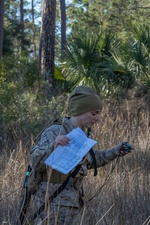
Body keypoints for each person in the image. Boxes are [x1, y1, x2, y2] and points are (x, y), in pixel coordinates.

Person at [30, 86, 132, 224]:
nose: (98, 118)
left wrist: (114, 152)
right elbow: (35, 161)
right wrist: (53, 146)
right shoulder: (56, 131)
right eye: (94, 113)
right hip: (52, 202)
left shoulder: (81, 134)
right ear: (80, 110)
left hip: (71, 201)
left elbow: (89, 160)